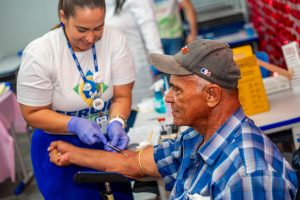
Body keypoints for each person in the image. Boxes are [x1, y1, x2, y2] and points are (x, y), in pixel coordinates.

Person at [48, 39, 298, 199]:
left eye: (177, 89)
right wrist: (74, 153)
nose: (167, 98)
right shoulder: (197, 137)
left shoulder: (249, 175)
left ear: (212, 95)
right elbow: (135, 164)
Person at [17, 0, 135, 199]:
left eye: (98, 28)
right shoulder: (41, 53)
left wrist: (117, 122)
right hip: (57, 149)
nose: (90, 38)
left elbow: (122, 96)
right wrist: (73, 124)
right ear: (63, 17)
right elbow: (32, 113)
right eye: (82, 29)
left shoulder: (115, 40)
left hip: (104, 141)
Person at [105, 0, 164, 105]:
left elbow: (148, 25)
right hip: (111, 71)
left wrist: (157, 57)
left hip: (138, 67)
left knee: (144, 108)